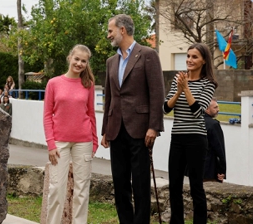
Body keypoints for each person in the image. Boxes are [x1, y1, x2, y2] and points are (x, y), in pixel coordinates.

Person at [100, 14, 165, 224]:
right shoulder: (111, 61)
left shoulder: (148, 54)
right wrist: (105, 130)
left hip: (141, 131)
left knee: (140, 184)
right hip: (116, 130)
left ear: (122, 30)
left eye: (110, 31)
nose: (108, 35)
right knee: (120, 184)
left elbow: (157, 93)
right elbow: (109, 97)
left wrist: (154, 126)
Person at [43, 44, 98, 224]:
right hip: (59, 143)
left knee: (82, 190)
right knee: (56, 189)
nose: (79, 63)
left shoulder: (88, 85)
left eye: (83, 61)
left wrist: (94, 142)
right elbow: (47, 116)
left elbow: (91, 114)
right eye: (77, 59)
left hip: (84, 142)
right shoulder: (53, 83)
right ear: (70, 58)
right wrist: (51, 144)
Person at [163, 43, 217, 223]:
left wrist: (186, 89)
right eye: (188, 56)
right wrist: (178, 90)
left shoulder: (208, 84)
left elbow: (198, 111)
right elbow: (165, 108)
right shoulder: (179, 79)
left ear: (203, 61)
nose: (189, 60)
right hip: (177, 138)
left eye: (194, 57)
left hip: (196, 139)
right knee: (175, 186)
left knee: (196, 187)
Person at [204, 98, 226, 183]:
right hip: (210, 170)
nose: (218, 110)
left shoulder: (195, 122)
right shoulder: (213, 125)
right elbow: (219, 149)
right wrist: (222, 171)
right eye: (215, 107)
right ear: (206, 109)